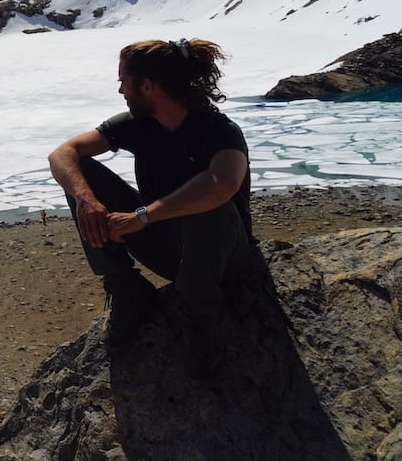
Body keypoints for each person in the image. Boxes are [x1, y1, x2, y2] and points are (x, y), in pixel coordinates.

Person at [47, 38, 251, 378]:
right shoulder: (137, 124)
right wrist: (88, 201)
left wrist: (143, 216)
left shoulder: (220, 131)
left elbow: (224, 183)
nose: (120, 91)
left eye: (123, 82)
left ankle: (202, 317)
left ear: (147, 86)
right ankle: (127, 288)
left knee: (212, 202)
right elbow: (62, 153)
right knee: (81, 176)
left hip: (223, 261)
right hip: (168, 250)